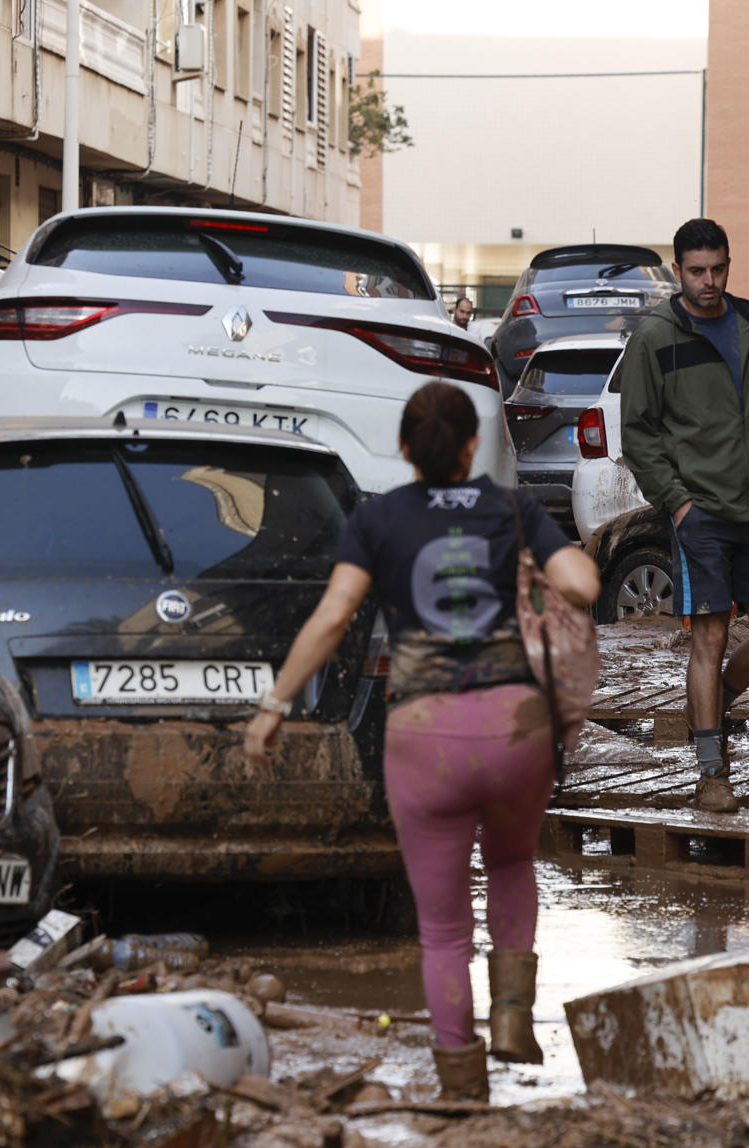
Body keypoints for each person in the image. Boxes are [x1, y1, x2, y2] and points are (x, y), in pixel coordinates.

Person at [243, 381, 599, 1101]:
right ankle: (509, 1015)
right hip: (514, 730)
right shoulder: (512, 507)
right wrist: (535, 571)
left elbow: (335, 616)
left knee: (440, 929)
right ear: (472, 448)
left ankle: (461, 1082)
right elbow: (585, 585)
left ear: (406, 449)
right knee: (510, 865)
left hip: (423, 736)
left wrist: (273, 706)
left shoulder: (378, 518)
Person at [618, 218, 749, 812]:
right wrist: (677, 503)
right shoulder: (656, 337)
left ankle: (713, 703)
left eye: (719, 269)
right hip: (698, 511)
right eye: (697, 272)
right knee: (709, 636)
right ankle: (713, 772)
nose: (709, 282)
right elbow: (638, 435)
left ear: (729, 265)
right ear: (678, 271)